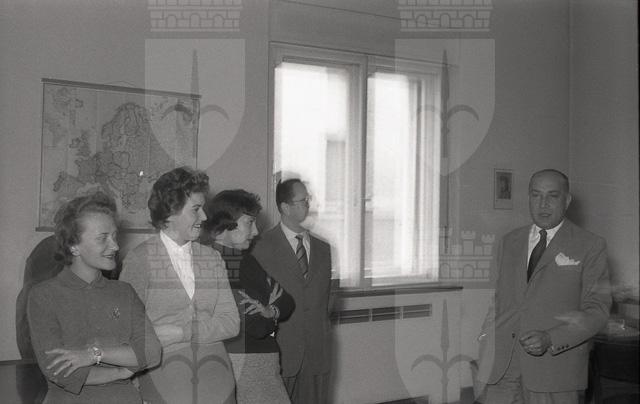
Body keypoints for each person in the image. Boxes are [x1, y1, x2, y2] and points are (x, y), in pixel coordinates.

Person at [476, 169, 611, 404]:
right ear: (529, 198)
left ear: (567, 200)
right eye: (536, 195)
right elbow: (500, 300)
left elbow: (597, 311)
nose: (543, 204)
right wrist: (485, 341)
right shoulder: (509, 241)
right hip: (501, 369)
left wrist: (551, 338)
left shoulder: (590, 245)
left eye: (552, 196)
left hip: (553, 372)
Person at [27, 192, 161, 403]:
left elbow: (151, 352)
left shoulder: (124, 292)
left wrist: (93, 355)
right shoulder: (43, 296)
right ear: (73, 246)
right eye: (102, 238)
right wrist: (120, 371)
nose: (115, 246)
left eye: (114, 236)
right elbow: (60, 371)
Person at [120, 167, 239, 404]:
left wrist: (181, 332)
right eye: (196, 209)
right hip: (165, 378)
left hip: (217, 376)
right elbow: (127, 331)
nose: (204, 217)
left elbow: (231, 323)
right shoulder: (139, 259)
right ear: (171, 212)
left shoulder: (212, 258)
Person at [202, 189, 294, 404]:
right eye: (249, 223)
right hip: (242, 362)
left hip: (258, 362)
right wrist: (271, 317)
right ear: (223, 225)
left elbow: (288, 301)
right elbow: (255, 326)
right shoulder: (213, 262)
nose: (256, 231)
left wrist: (270, 311)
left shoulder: (246, 260)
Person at [249, 178, 333, 404]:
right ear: (285, 207)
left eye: (308, 199)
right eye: (303, 200)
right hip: (281, 348)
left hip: (317, 350)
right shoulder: (260, 247)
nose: (308, 204)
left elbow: (329, 298)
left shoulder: (323, 248)